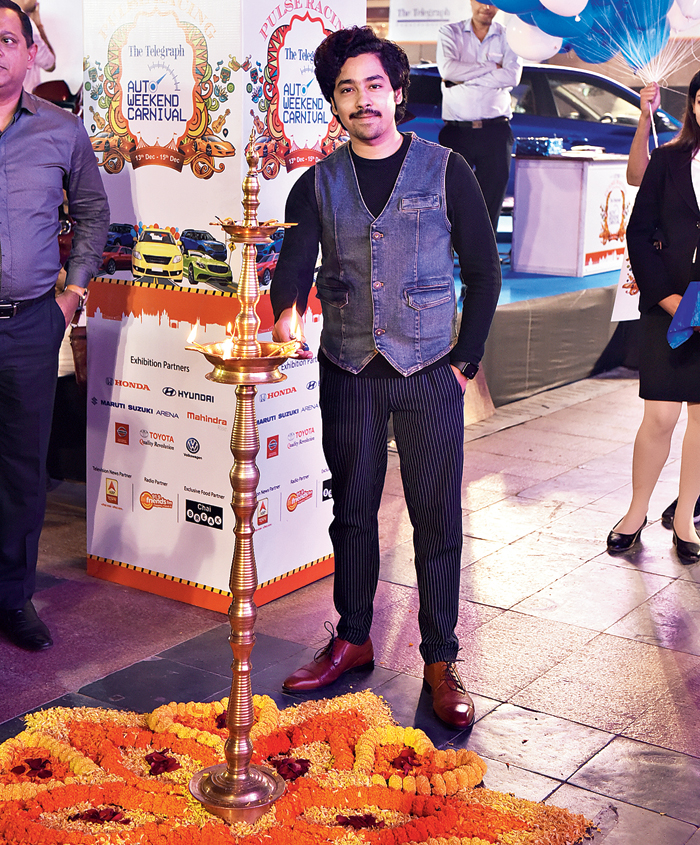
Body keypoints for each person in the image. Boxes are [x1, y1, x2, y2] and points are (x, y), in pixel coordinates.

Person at [270, 26, 501, 728]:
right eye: (347, 89)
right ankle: (353, 636)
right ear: (334, 107)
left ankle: (439, 657)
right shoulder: (316, 182)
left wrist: (464, 363)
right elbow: (295, 262)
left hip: (431, 369)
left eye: (374, 85)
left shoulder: (447, 167)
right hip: (347, 368)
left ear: (397, 93)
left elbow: (484, 272)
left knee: (437, 518)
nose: (363, 100)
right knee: (352, 514)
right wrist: (283, 310)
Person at [0, 0, 110, 650]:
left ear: (28, 49)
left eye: (7, 38)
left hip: (31, 326)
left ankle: (13, 599)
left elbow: (92, 212)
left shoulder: (60, 129)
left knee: (21, 469)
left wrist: (72, 294)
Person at [607, 70, 700, 564]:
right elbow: (639, 233)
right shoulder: (667, 161)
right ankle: (636, 511)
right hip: (668, 307)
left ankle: (685, 518)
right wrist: (669, 299)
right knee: (659, 417)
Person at [436, 0, 522, 230]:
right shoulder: (450, 32)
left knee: (491, 203)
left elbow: (512, 77)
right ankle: (447, 255)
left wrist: (464, 78)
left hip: (495, 131)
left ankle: (484, 262)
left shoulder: (510, 36)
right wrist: (493, 67)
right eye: (481, 0)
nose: (486, 6)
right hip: (457, 132)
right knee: (451, 198)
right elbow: (449, 71)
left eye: (492, 2)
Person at [18, 0, 54, 93]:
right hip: (21, 101)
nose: (36, 2)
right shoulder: (25, 23)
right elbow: (49, 64)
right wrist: (38, 24)